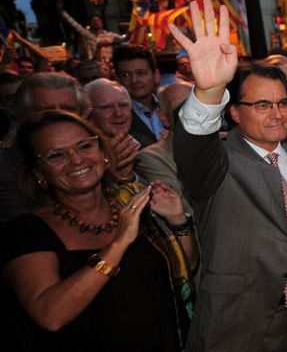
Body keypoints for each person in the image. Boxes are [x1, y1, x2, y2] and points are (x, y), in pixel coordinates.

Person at [167, 0, 287, 351]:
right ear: (234, 112)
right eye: (262, 104)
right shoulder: (217, 163)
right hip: (238, 321)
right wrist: (208, 92)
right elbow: (191, 148)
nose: (277, 114)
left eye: (282, 103)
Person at [1, 110, 197, 352]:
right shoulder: (26, 233)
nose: (76, 160)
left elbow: (183, 266)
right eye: (56, 155)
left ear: (103, 154)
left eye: (84, 146)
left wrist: (178, 220)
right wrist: (117, 245)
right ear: (39, 174)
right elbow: (50, 315)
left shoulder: (132, 206)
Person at [1, 73, 89, 222]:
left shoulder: (97, 156)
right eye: (46, 111)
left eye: (67, 109)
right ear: (22, 115)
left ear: (82, 115)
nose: (58, 117)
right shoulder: (6, 173)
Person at [134, 82, 194, 210]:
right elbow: (184, 209)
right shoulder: (152, 157)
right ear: (164, 117)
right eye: (182, 107)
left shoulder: (227, 142)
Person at [112, 45, 163, 148]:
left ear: (156, 75)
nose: (134, 80)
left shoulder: (171, 106)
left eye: (141, 73)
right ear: (117, 79)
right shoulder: (115, 117)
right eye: (126, 75)